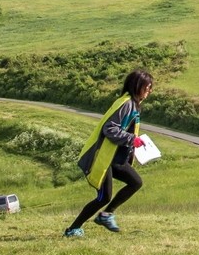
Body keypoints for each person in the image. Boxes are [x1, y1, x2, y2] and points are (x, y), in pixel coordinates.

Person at [64, 69, 154, 237]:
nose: (149, 91)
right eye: (147, 87)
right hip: (104, 157)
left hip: (115, 158)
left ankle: (106, 214)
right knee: (104, 197)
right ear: (137, 86)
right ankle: (73, 229)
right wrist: (131, 139)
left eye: (150, 87)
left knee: (135, 182)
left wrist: (133, 142)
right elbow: (109, 129)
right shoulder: (126, 103)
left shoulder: (133, 104)